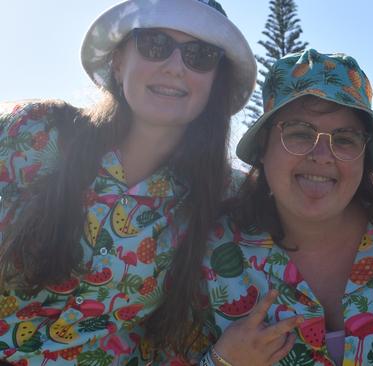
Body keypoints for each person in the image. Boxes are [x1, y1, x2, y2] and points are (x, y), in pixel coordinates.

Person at [0, 0, 256, 364]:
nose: (174, 67)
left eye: (200, 55)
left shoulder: (222, 197)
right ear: (118, 61)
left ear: (216, 83)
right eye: (155, 44)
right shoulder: (32, 130)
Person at [199, 49, 373, 366]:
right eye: (299, 134)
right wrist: (222, 361)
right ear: (263, 146)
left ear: (364, 154)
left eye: (344, 139)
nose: (322, 154)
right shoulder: (212, 254)